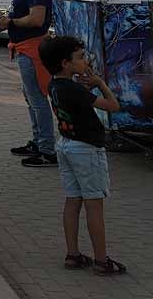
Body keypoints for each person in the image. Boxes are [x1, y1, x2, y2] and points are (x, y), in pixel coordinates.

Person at [39, 35, 126, 275]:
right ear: (65, 63)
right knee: (94, 205)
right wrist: (100, 83)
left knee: (72, 200)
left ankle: (73, 254)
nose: (85, 60)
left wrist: (83, 84)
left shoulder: (54, 85)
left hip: (66, 145)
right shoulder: (74, 90)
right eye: (79, 58)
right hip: (87, 149)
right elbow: (113, 106)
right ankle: (101, 260)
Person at [0, 0, 58, 167]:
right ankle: (39, 142)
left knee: (37, 99)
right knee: (31, 98)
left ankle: (47, 149)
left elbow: (37, 19)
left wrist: (10, 22)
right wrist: (7, 22)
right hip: (23, 47)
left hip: (32, 49)